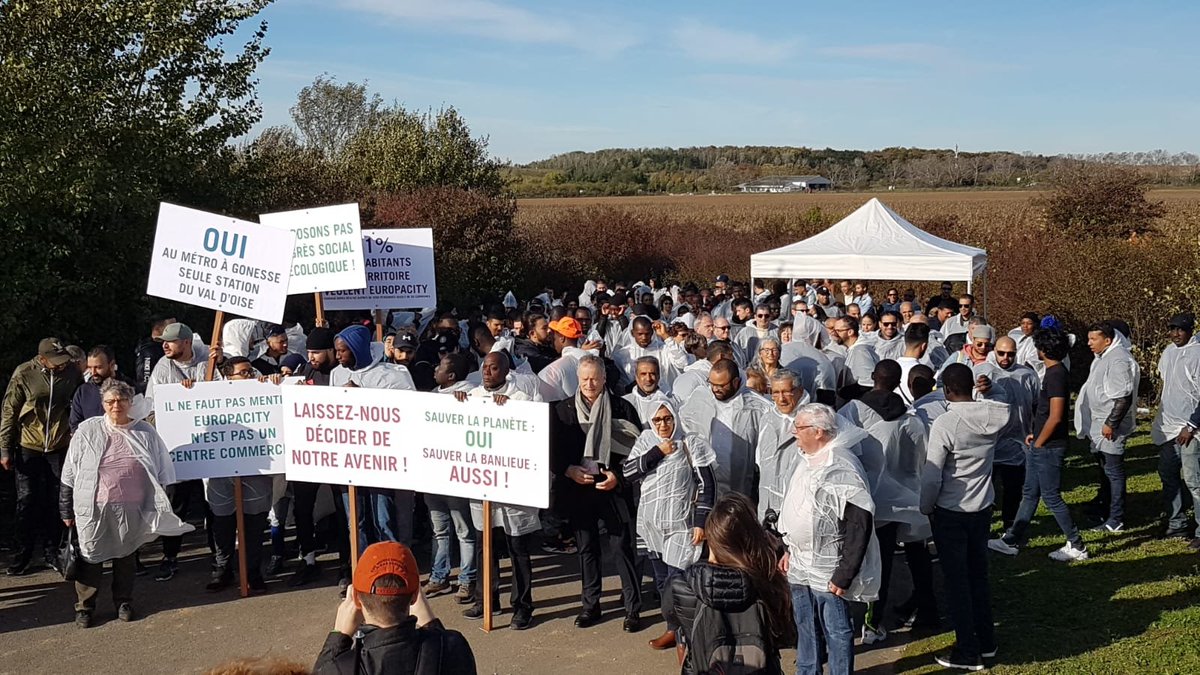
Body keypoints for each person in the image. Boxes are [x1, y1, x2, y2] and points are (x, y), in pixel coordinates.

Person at [60, 379, 192, 627]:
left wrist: (158, 505)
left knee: (126, 557)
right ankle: (85, 607)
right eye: (110, 401)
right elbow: (69, 473)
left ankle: (123, 601)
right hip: (93, 507)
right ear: (103, 404)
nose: (116, 405)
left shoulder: (145, 432)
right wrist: (66, 509)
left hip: (132, 507)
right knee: (91, 556)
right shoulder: (88, 431)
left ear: (131, 402)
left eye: (121, 400)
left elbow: (161, 471)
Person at [780, 403, 880, 675]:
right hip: (800, 562)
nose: (794, 432)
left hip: (828, 566)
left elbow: (860, 523)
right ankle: (808, 670)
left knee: (835, 628)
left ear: (819, 432)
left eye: (799, 428)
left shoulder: (840, 465)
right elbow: (797, 506)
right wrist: (789, 548)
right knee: (805, 624)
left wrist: (845, 573)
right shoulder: (806, 458)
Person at [836, 360, 929, 644]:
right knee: (883, 563)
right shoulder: (910, 419)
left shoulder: (850, 412)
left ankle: (842, 621)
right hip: (890, 504)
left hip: (854, 501)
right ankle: (873, 623)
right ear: (899, 382)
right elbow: (919, 462)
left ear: (874, 377)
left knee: (845, 560)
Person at [921, 364, 1006, 671]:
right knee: (978, 577)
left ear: (945, 390)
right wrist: (990, 388)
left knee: (957, 583)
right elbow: (1003, 401)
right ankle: (987, 642)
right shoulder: (992, 415)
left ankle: (968, 651)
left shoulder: (946, 423)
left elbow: (932, 475)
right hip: (982, 506)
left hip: (951, 510)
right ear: (972, 387)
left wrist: (925, 506)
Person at [622, 401, 717, 650]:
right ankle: (672, 629)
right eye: (658, 420)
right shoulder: (645, 441)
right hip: (651, 525)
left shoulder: (691, 442)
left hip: (680, 526)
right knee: (663, 582)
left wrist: (701, 522)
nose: (663, 424)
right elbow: (628, 472)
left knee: (680, 582)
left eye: (667, 419)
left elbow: (707, 484)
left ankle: (689, 634)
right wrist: (657, 452)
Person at [990, 328, 1089, 562]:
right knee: (1029, 493)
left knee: (1051, 496)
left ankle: (1077, 544)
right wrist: (1036, 436)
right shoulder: (1055, 371)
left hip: (1050, 447)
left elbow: (1055, 416)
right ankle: (1011, 539)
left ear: (1043, 349)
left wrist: (1040, 442)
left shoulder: (1055, 375)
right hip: (1042, 442)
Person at [664, 493, 789, 675]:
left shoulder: (680, 585)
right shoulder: (769, 581)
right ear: (752, 538)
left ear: (711, 539)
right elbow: (785, 635)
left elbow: (671, 617)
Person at [458, 353, 539, 628]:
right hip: (482, 487)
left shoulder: (521, 399)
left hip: (512, 489)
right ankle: (486, 600)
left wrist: (510, 410)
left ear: (506, 371)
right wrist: (459, 405)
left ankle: (522, 606)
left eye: (494, 368)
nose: (487, 373)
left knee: (518, 548)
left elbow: (532, 430)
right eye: (484, 367)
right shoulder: (473, 396)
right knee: (485, 547)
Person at [314, 542, 478, 675]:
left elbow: (323, 671)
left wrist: (337, 638)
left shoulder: (338, 668)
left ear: (356, 599)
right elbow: (451, 657)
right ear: (415, 596)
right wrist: (433, 627)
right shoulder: (453, 647)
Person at [2, 337, 84, 575]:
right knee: (26, 501)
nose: (61, 366)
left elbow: (79, 400)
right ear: (42, 358)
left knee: (56, 500)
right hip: (29, 444)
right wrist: (5, 449)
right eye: (55, 361)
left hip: (58, 445)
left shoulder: (70, 374)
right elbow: (9, 410)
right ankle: (22, 554)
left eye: (63, 361)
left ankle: (53, 552)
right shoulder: (24, 373)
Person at [199, 358, 276, 593]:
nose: (250, 375)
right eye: (244, 373)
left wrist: (274, 386)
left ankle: (252, 571)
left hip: (256, 471)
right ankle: (223, 570)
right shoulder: (213, 395)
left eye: (251, 371)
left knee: (254, 525)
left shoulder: (264, 390)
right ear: (228, 377)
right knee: (222, 524)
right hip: (221, 472)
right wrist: (188, 389)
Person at [288, 327, 343, 588]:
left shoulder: (340, 373)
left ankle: (347, 563)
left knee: (344, 509)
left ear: (331, 351)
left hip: (337, 455)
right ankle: (307, 559)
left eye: (317, 352)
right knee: (302, 509)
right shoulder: (306, 371)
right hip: (309, 454)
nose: (311, 357)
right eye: (309, 352)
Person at [1075, 321, 1139, 532]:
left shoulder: (1118, 358)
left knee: (1114, 471)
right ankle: (1104, 507)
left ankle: (1116, 518)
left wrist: (1111, 423)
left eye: (1093, 339)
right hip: (1099, 425)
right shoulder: (1103, 357)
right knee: (1105, 469)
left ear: (1108, 340)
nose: (1089, 343)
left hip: (1110, 428)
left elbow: (1123, 396)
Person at [680, 360, 772, 498]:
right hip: (706, 483)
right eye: (712, 384)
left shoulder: (757, 406)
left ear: (735, 382)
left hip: (741, 484)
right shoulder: (700, 398)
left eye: (721, 385)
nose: (715, 389)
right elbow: (684, 426)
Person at [1153, 313, 1200, 545]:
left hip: (1191, 430)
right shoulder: (1169, 352)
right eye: (1171, 329)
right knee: (1168, 473)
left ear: (1190, 329)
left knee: (1194, 480)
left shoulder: (1197, 354)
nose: (1175, 334)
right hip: (1170, 427)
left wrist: (1191, 425)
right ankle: (1176, 523)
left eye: (1180, 329)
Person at [987, 336, 1039, 531]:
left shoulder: (1028, 375)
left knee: (1013, 488)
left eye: (1010, 354)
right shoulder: (985, 372)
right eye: (1001, 353)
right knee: (987, 489)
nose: (1006, 358)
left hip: (1018, 442)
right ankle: (985, 523)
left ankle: (1010, 523)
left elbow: (1036, 406)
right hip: (990, 444)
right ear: (995, 351)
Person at [756, 370, 810, 520]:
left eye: (787, 392)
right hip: (767, 508)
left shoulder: (814, 421)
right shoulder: (767, 419)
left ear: (799, 391)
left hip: (797, 510)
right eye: (775, 393)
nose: (781, 399)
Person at [70, 345, 135, 432]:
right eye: (90, 367)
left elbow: (139, 420)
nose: (93, 372)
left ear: (111, 365)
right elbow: (75, 425)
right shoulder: (83, 391)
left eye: (98, 367)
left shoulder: (129, 388)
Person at [622, 356, 678, 427]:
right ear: (636, 377)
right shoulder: (625, 403)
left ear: (658, 376)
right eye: (643, 374)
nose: (648, 379)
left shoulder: (671, 401)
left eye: (652, 374)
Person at [133, 315, 176, 394]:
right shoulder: (149, 352)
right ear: (158, 328)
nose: (176, 330)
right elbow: (145, 381)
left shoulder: (161, 346)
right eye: (172, 327)